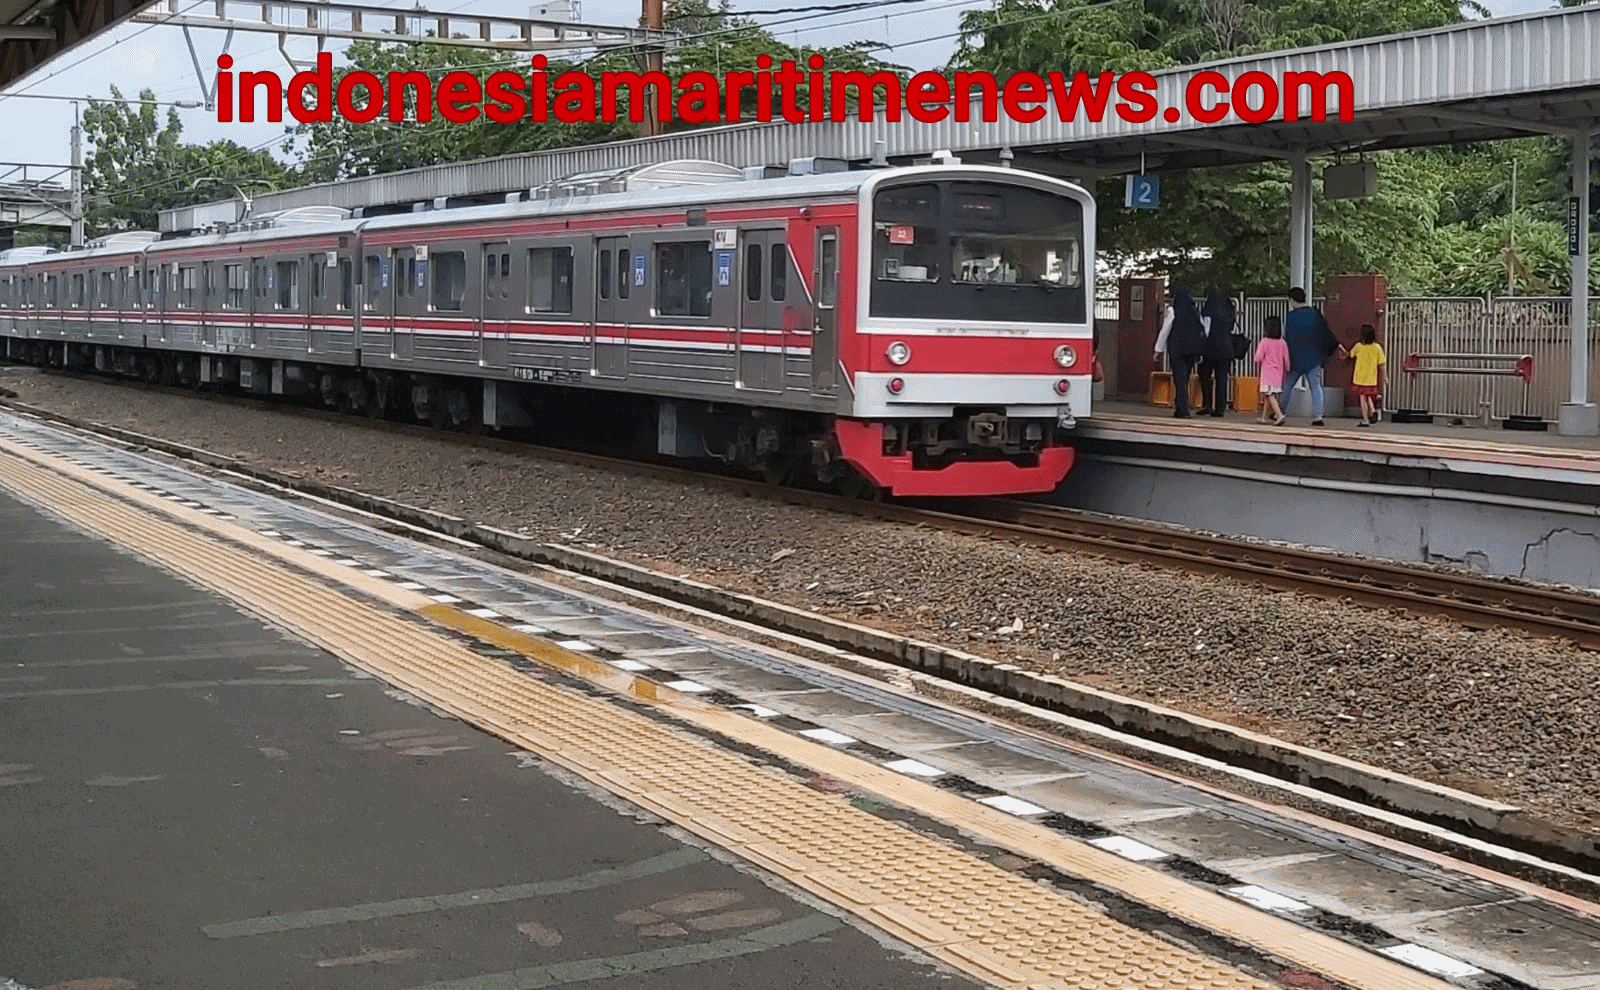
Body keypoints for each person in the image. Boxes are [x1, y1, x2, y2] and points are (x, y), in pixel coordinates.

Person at [1280, 287, 1347, 425]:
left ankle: (1280, 412)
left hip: (1296, 359)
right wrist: (1337, 345)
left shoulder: (1291, 317)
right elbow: (1325, 333)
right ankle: (1318, 417)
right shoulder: (1314, 313)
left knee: (1287, 385)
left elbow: (1288, 339)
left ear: (1292, 300)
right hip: (1314, 358)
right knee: (1316, 387)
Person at [1153, 286, 1206, 418]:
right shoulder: (1194, 310)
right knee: (1185, 378)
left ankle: (1182, 409)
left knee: (1179, 379)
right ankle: (1181, 406)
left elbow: (1165, 329)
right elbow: (1202, 329)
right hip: (1192, 350)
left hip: (1177, 349)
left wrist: (1158, 349)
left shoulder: (1173, 310)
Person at [1197, 290, 1237, 417]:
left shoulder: (1209, 309)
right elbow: (1233, 329)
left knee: (1205, 375)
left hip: (1211, 349)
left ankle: (1207, 404)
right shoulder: (1230, 311)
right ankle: (1220, 408)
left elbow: (1206, 331)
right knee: (1222, 379)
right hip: (1227, 349)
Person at [1347, 323, 1386, 427]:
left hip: (1359, 378)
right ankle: (1373, 411)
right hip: (1371, 378)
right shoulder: (1377, 348)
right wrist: (1385, 376)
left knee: (1362, 398)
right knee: (1368, 396)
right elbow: (1382, 364)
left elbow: (1350, 355)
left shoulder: (1358, 346)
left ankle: (1365, 419)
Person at [1253, 315, 1290, 425]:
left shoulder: (1265, 341)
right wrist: (1287, 368)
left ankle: (1279, 415)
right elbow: (1286, 359)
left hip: (1268, 373)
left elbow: (1258, 358)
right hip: (1278, 373)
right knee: (1269, 395)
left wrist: (1258, 360)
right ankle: (1263, 417)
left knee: (1269, 394)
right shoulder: (1282, 342)